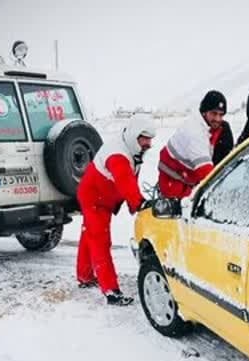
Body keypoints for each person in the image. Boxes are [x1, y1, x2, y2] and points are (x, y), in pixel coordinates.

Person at [76, 113, 156, 306]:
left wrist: (132, 203)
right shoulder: (118, 155)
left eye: (150, 139)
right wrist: (138, 203)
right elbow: (124, 179)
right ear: (134, 136)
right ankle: (111, 291)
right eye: (144, 139)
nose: (148, 144)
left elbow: (131, 176)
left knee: (89, 235)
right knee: (100, 240)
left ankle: (85, 275)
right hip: (94, 199)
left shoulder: (132, 149)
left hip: (101, 197)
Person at [158, 90, 227, 199]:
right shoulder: (195, 132)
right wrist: (223, 195)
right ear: (204, 112)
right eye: (214, 113)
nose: (218, 119)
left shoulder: (208, 128)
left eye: (221, 115)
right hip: (174, 186)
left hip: (185, 181)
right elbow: (206, 173)